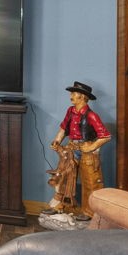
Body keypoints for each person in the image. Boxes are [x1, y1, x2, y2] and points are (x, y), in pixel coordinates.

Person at [47, 81, 110, 217]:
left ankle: (90, 213)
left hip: (87, 153)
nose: (71, 96)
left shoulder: (91, 115)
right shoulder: (70, 111)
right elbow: (64, 128)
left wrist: (91, 147)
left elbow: (105, 136)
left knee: (90, 182)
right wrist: (57, 140)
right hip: (71, 149)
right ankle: (60, 206)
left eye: (73, 93)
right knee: (63, 177)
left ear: (81, 96)